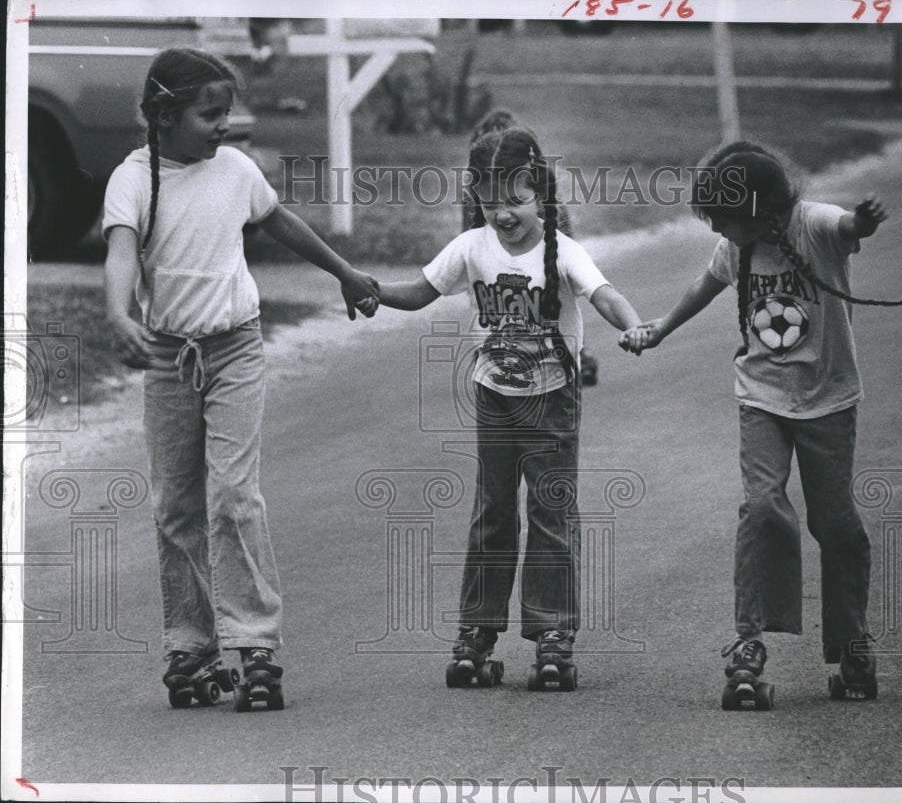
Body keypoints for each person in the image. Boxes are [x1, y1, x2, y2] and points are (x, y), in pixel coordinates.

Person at [102, 47, 379, 709]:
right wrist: (118, 312)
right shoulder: (135, 178)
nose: (223, 125)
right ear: (165, 114)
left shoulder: (235, 170)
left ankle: (255, 645)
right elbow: (118, 252)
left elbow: (279, 221)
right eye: (210, 114)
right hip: (170, 358)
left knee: (234, 495)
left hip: (235, 350)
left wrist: (343, 271)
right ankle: (191, 649)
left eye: (226, 112)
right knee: (176, 508)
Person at [620, 141, 891, 704]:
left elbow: (844, 227)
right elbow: (704, 287)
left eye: (722, 218)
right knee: (763, 507)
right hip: (762, 395)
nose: (717, 229)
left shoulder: (809, 225)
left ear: (761, 209)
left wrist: (861, 220)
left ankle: (853, 643)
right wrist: (659, 329)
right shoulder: (736, 247)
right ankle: (749, 641)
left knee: (836, 524)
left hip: (829, 398)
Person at [378, 126, 642, 689]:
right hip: (494, 397)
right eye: (491, 199)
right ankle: (477, 629)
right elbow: (421, 290)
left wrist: (635, 325)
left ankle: (552, 633)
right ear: (476, 196)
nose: (503, 212)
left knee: (550, 513)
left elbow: (604, 294)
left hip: (552, 401)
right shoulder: (471, 247)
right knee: (493, 511)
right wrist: (371, 289)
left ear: (540, 193)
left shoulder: (564, 251)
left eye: (516, 199)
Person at [460, 108, 600, 387]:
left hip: (543, 257)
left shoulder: (538, 186)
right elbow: (469, 237)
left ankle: (573, 351)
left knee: (549, 298)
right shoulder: (476, 192)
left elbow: (562, 230)